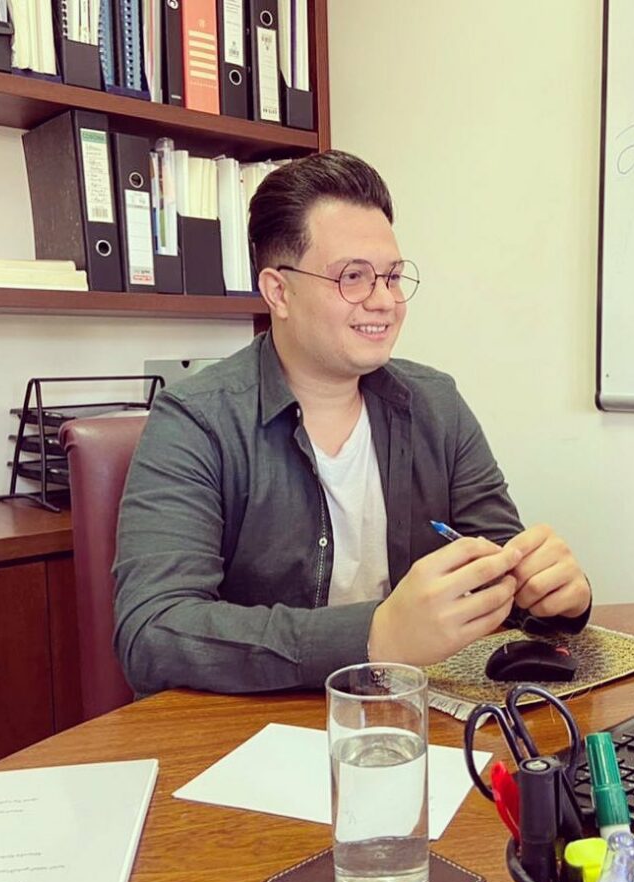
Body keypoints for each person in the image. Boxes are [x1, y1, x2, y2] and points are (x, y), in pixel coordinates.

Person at [113, 150, 591, 694]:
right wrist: (375, 636)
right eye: (354, 277)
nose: (385, 301)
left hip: (411, 711)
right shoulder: (195, 420)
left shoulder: (436, 404)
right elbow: (152, 632)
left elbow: (503, 566)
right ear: (278, 292)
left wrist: (551, 595)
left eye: (392, 276)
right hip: (258, 720)